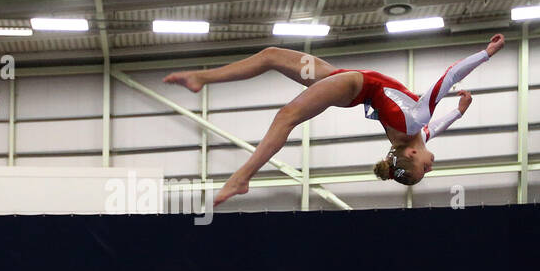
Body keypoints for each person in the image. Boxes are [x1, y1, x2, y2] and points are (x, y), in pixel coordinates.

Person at [164, 34, 505, 205]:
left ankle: (241, 178)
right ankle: (202, 78)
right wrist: (457, 111)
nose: (434, 164)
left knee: (287, 116)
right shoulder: (420, 133)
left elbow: (447, 77)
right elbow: (439, 125)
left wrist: (485, 55)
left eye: (427, 168)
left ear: (413, 156)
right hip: (346, 80)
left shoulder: (416, 123)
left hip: (353, 85)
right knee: (270, 56)